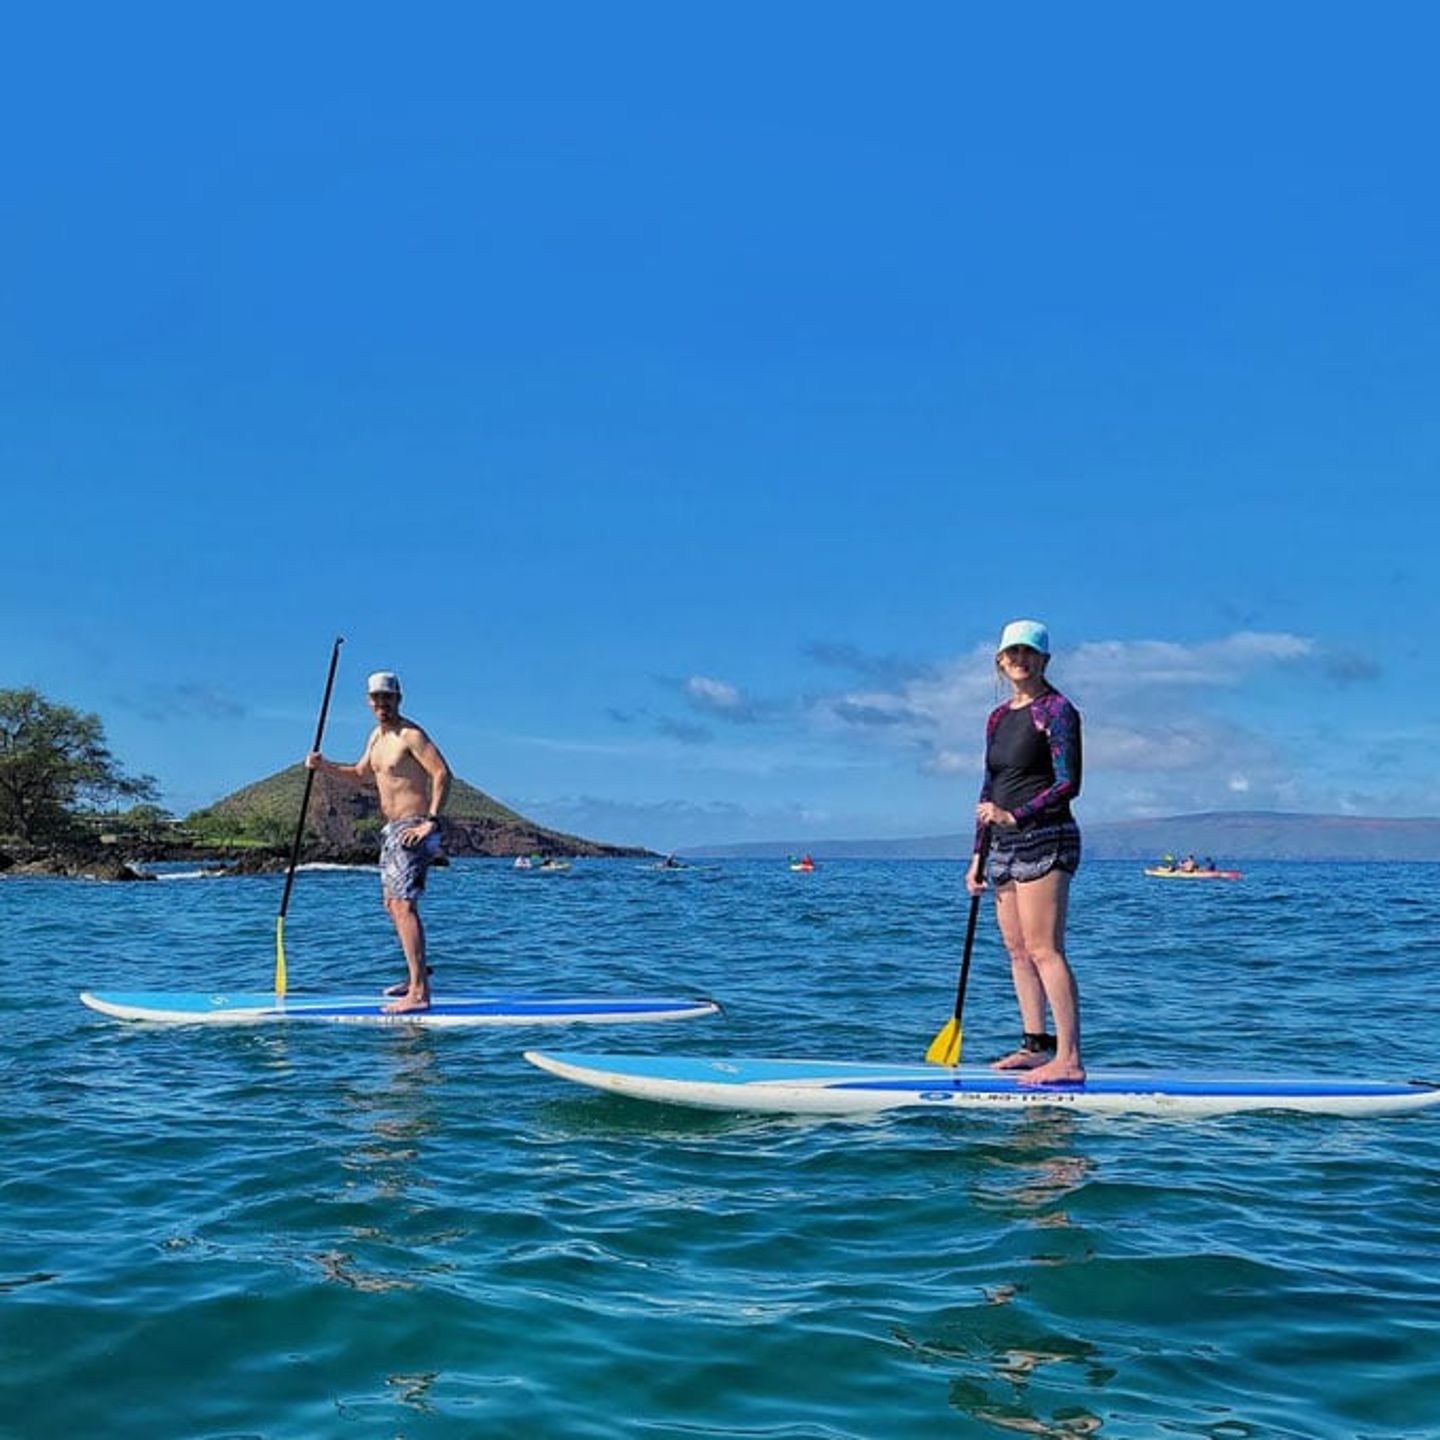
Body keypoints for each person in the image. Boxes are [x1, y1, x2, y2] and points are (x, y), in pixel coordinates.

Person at [966, 619, 1085, 1084]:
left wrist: (1016, 816)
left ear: (1044, 660)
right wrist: (978, 855)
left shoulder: (1057, 710)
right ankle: (1037, 1047)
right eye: (1012, 652)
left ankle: (1069, 1059)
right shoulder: (998, 718)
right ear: (1000, 661)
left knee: (1044, 949)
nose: (1020, 660)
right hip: (1003, 845)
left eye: (1029, 652)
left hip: (1046, 838)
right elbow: (990, 786)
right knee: (1017, 951)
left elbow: (1067, 783)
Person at [306, 670, 452, 1013]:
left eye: (388, 697)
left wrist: (431, 822)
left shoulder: (411, 735)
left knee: (403, 906)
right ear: (369, 702)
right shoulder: (376, 737)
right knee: (392, 904)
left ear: (398, 698)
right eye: (376, 698)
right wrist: (323, 766)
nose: (382, 703)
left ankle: (419, 993)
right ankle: (417, 976)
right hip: (392, 830)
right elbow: (359, 775)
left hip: (414, 828)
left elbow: (442, 773)